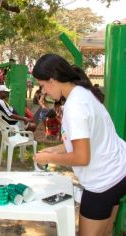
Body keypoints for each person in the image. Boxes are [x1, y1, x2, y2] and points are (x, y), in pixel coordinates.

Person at [32, 53, 126, 236]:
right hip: (119, 171)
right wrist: (54, 149)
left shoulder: (75, 106)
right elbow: (84, 142)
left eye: (43, 86)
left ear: (53, 80)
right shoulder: (83, 93)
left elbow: (82, 157)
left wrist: (48, 157)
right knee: (104, 232)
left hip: (104, 182)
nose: (43, 92)